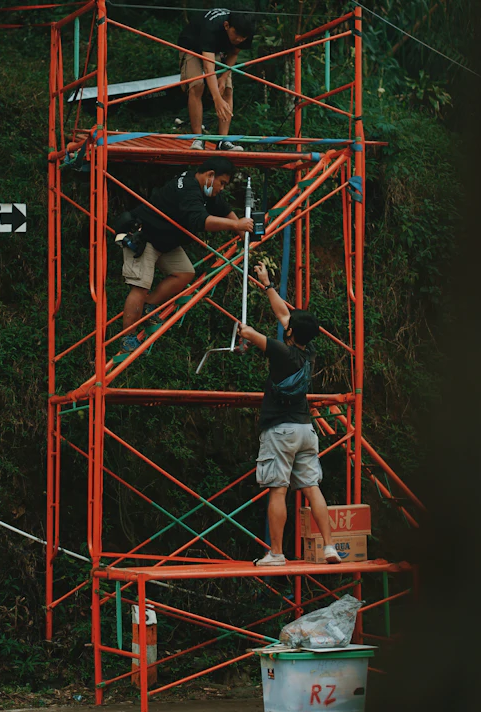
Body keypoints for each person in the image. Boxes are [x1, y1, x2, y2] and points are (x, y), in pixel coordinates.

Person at [238, 263, 341, 566]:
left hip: (280, 431)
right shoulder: (307, 351)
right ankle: (330, 547)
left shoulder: (283, 353)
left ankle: (276, 553)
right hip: (306, 430)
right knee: (312, 488)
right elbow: (283, 315)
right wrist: (268, 284)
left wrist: (243, 330)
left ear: (292, 332)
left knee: (277, 491)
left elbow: (250, 333)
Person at [118, 157, 254, 355]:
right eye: (222, 183)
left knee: (184, 272)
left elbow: (224, 210)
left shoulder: (204, 189)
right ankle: (126, 337)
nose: (222, 188)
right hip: (144, 236)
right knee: (140, 285)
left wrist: (243, 232)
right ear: (210, 175)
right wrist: (236, 226)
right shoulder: (188, 189)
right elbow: (201, 220)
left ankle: (149, 306)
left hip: (165, 241)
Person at [178, 8, 255, 151]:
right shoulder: (211, 27)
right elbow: (208, 68)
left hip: (219, 50)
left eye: (242, 37)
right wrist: (216, 99)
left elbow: (234, 52)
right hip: (191, 46)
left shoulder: (245, 31)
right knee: (197, 85)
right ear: (227, 26)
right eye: (236, 34)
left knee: (227, 89)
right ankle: (198, 139)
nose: (239, 39)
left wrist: (224, 77)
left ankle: (222, 141)